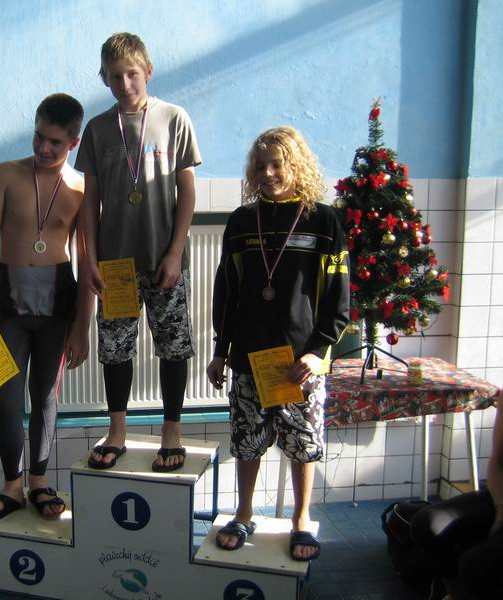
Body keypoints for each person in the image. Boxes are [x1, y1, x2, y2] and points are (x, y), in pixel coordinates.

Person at [206, 127, 349, 560]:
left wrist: (317, 351)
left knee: (302, 444)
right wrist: (220, 351)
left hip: (300, 362)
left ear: (296, 166)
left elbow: (339, 300)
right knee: (247, 440)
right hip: (250, 357)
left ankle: (301, 519)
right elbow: (227, 291)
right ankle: (244, 512)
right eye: (260, 165)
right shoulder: (241, 222)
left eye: (277, 165)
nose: (267, 173)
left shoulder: (324, 222)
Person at [75, 32, 202, 473]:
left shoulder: (174, 118)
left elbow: (187, 192)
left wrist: (175, 251)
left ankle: (172, 433)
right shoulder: (97, 129)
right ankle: (117, 432)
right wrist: (89, 259)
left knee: (173, 347)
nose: (124, 83)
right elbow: (89, 201)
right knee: (115, 351)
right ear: (104, 79)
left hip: (165, 260)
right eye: (115, 76)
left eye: (132, 74)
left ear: (147, 71)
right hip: (116, 267)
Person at [0, 93, 91, 524]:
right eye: (39, 136)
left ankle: (38, 481)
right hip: (7, 303)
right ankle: (11, 486)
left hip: (58, 302)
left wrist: (83, 326)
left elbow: (86, 259)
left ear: (73, 143)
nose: (43, 148)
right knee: (5, 396)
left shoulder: (81, 187)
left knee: (44, 396)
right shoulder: (6, 174)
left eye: (55, 142)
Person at [411, 382, 503, 600]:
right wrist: (501, 508)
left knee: (474, 566)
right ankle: (456, 595)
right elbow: (497, 464)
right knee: (427, 523)